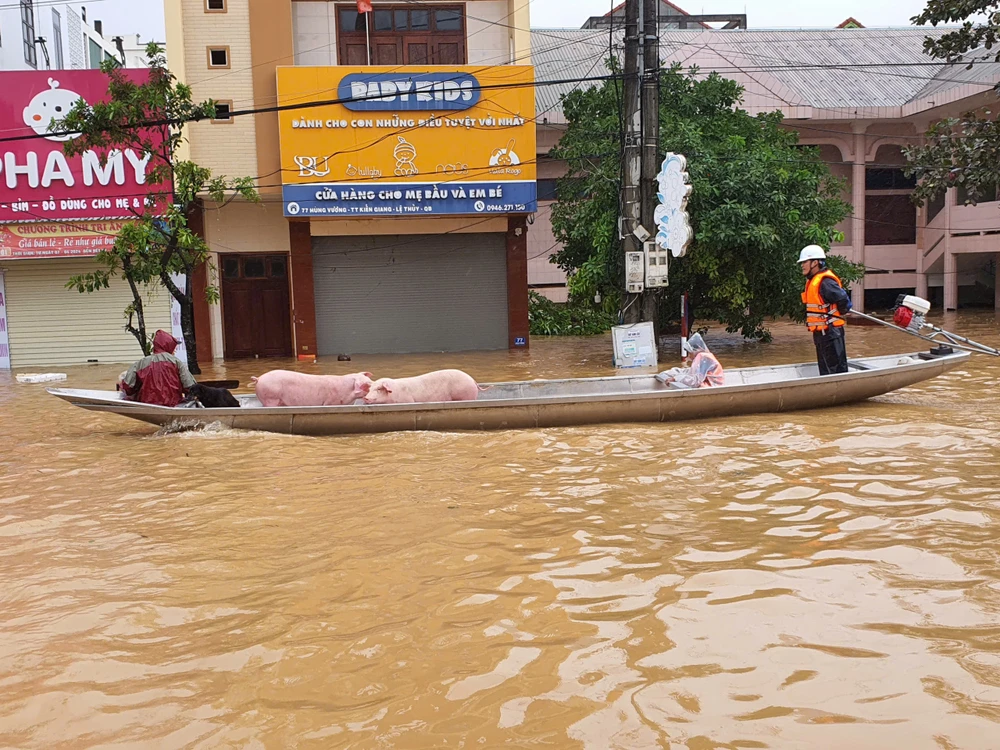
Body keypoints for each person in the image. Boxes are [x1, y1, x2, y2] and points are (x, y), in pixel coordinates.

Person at [798, 245, 852, 375]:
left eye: (804, 262)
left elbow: (844, 301)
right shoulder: (813, 281)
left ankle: (841, 393)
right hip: (821, 334)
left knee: (835, 371)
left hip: (831, 333)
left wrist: (837, 313)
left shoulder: (825, 282)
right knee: (826, 370)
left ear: (815, 263)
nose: (802, 265)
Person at [118, 330, 197, 407]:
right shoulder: (177, 362)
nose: (175, 350)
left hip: (146, 405)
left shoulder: (141, 363)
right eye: (174, 347)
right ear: (168, 346)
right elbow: (191, 387)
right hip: (173, 404)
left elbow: (127, 387)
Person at [656, 333, 725, 388]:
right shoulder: (705, 355)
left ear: (694, 350)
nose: (688, 355)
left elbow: (695, 381)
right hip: (716, 383)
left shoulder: (701, 356)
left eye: (689, 352)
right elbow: (690, 371)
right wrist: (670, 373)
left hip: (712, 385)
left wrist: (676, 378)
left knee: (694, 384)